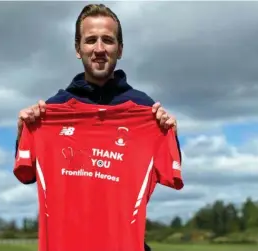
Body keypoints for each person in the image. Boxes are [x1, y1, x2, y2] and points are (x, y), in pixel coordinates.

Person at [15, 4, 180, 251]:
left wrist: (170, 134)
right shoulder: (51, 110)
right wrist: (24, 132)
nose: (99, 49)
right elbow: (26, 175)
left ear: (120, 49)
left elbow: (169, 173)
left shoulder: (145, 110)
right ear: (78, 49)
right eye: (91, 40)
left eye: (108, 40)